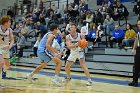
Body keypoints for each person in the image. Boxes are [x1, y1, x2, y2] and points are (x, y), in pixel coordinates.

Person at [0, 16, 14, 86]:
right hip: (0, 48)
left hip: (6, 48)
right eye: (9, 22)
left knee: (8, 65)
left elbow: (12, 40)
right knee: (1, 63)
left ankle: (3, 70)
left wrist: (10, 46)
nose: (10, 23)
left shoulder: (10, 30)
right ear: (5, 22)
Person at [128, 20, 140, 87]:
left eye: (139, 24)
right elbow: (136, 40)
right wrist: (133, 48)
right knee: (136, 66)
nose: (138, 25)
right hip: (138, 50)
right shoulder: (138, 32)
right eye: (137, 24)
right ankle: (134, 81)